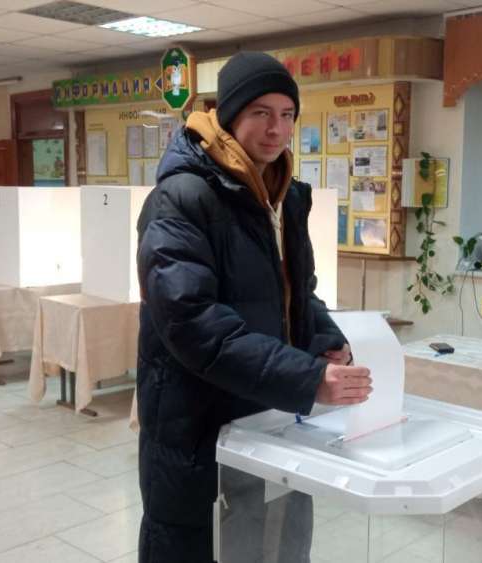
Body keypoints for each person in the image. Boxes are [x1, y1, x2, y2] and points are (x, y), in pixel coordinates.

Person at [135, 52, 373, 562]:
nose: (276, 129)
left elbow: (298, 292)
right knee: (198, 546)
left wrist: (325, 341)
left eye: (287, 115)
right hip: (197, 425)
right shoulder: (181, 198)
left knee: (272, 546)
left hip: (267, 416)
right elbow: (192, 322)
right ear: (229, 115)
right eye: (261, 113)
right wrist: (307, 379)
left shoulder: (285, 197)